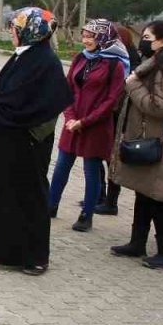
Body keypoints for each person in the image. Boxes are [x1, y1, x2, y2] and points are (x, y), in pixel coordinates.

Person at [0, 8, 74, 275]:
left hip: (28, 143)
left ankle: (35, 256)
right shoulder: (26, 56)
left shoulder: (45, 63)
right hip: (10, 141)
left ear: (30, 31)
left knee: (30, 196)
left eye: (15, 29)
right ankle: (7, 250)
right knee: (8, 195)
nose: (11, 32)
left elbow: (40, 106)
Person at [109, 20, 163, 269]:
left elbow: (161, 106)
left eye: (148, 36)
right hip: (149, 141)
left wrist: (133, 85)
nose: (143, 41)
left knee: (156, 199)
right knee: (144, 194)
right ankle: (137, 242)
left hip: (160, 147)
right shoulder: (155, 65)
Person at [47, 19, 129, 232]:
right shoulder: (80, 58)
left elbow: (111, 100)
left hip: (96, 126)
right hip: (72, 124)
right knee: (62, 165)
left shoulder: (115, 65)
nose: (86, 40)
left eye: (91, 36)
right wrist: (71, 117)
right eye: (84, 35)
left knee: (91, 170)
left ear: (104, 38)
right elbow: (68, 88)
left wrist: (85, 121)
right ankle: (50, 204)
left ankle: (86, 215)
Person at [95, 23, 142, 216]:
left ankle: (111, 201)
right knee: (97, 155)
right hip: (104, 113)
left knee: (111, 158)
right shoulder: (105, 56)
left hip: (118, 116)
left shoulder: (130, 60)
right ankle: (98, 194)